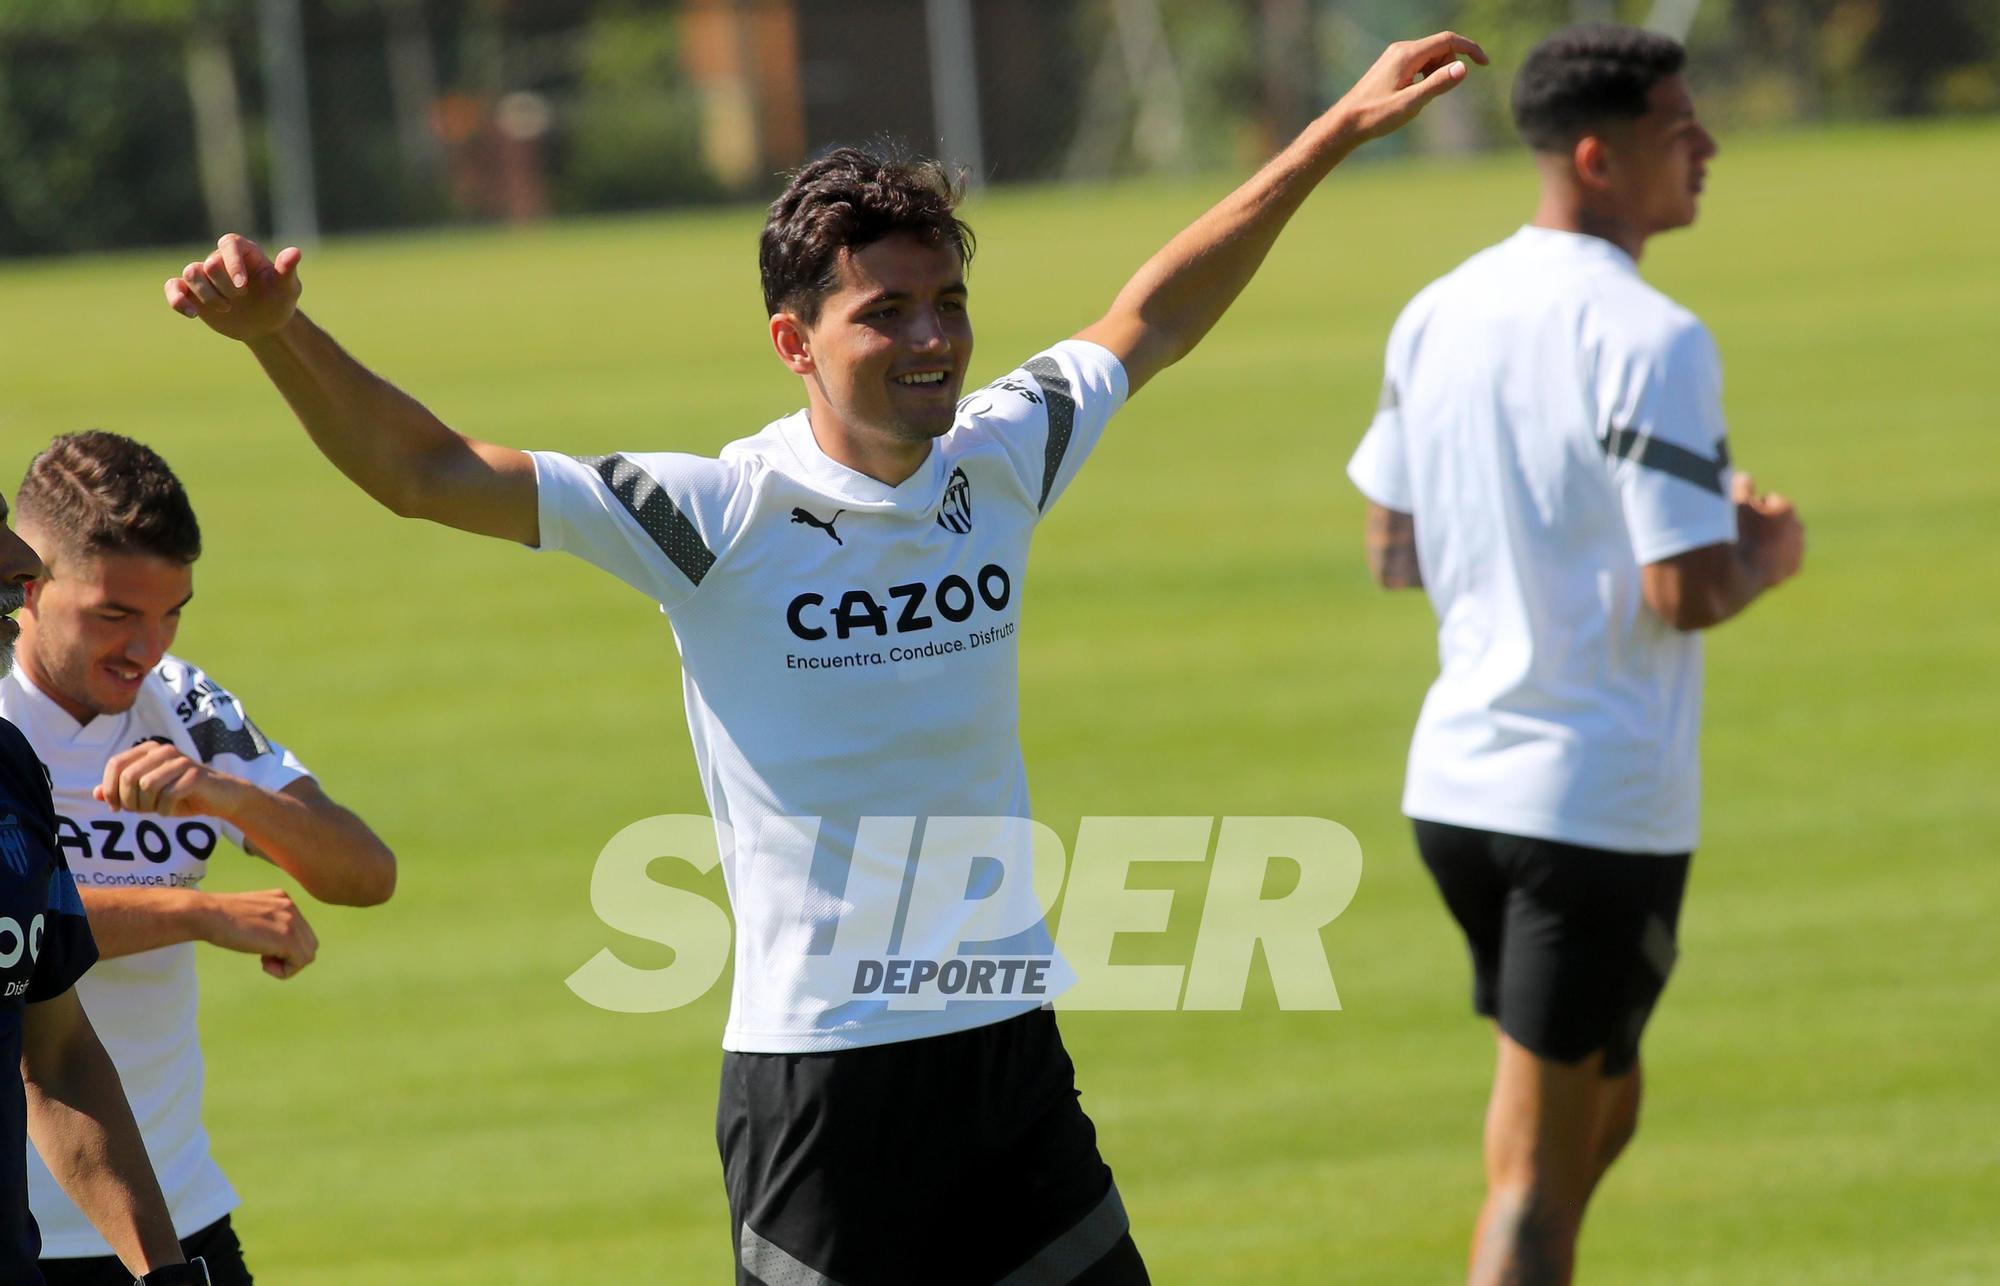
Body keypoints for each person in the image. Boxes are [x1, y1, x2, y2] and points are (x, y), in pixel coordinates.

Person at [164, 32, 1486, 1284]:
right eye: (887, 313)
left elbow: (1158, 313)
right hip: (824, 1081)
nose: (933, 339)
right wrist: (279, 332)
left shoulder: (1004, 450)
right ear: (797, 342)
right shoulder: (717, 516)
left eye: (949, 302)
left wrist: (1334, 131)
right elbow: (426, 472)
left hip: (1006, 1048)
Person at [1345, 25, 1806, 1286]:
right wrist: (1765, 547)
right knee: (1537, 1193)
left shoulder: (1436, 308)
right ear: (1597, 158)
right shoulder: (1653, 338)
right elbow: (1685, 587)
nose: (1706, 148)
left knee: (1603, 1100)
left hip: (1454, 789)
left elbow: (1394, 550)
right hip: (1589, 810)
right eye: (1679, 132)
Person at [2, 432, 397, 1285]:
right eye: (115, 614)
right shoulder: (3, 718)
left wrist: (222, 794)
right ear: (30, 589)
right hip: (26, 1227)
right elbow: (19, 929)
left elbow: (365, 874)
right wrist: (203, 913)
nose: (148, 646)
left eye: (172, 611)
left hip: (173, 1210)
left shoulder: (181, 702)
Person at [0, 495, 208, 1285]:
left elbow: (58, 1055)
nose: (22, 567)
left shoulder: (9, 769)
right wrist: (207, 915)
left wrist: (166, 1274)